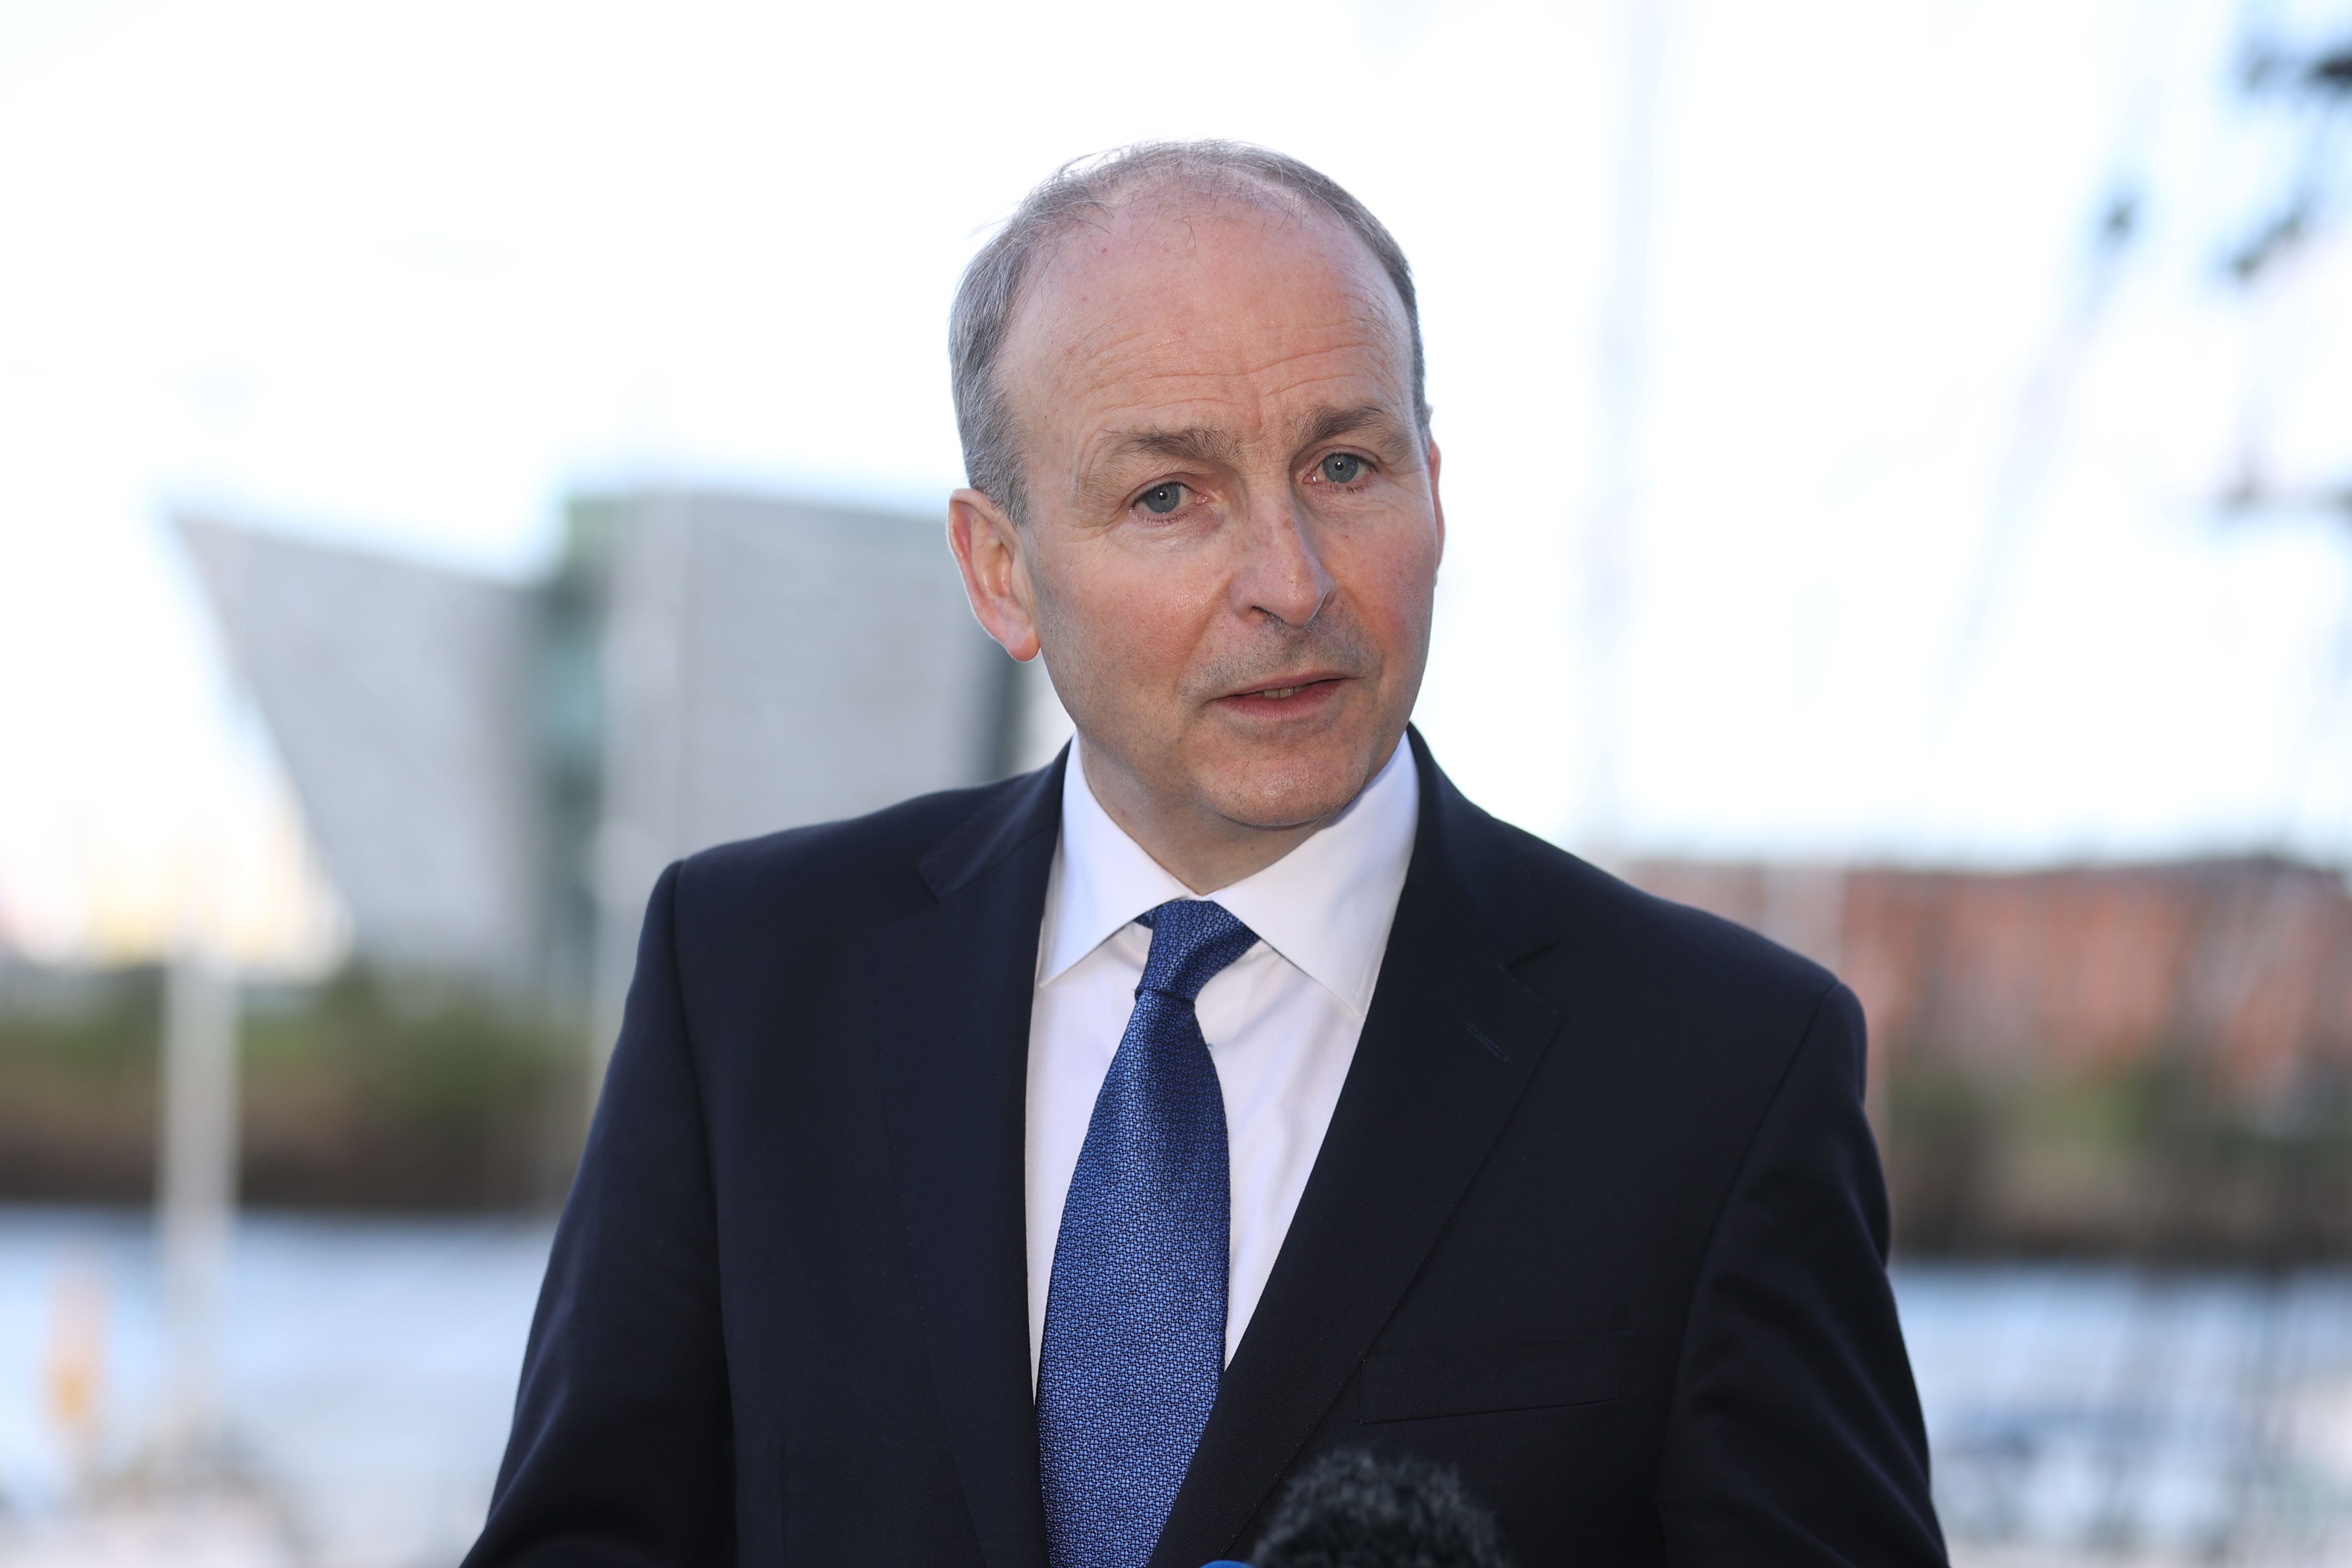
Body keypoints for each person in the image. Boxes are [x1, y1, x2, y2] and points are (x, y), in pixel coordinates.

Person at [463, 141, 1945, 1568]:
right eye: (1169, 495)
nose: (1290, 582)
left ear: (1433, 484)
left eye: (1347, 465)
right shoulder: (749, 979)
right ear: (1002, 568)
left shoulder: (1721, 1069)